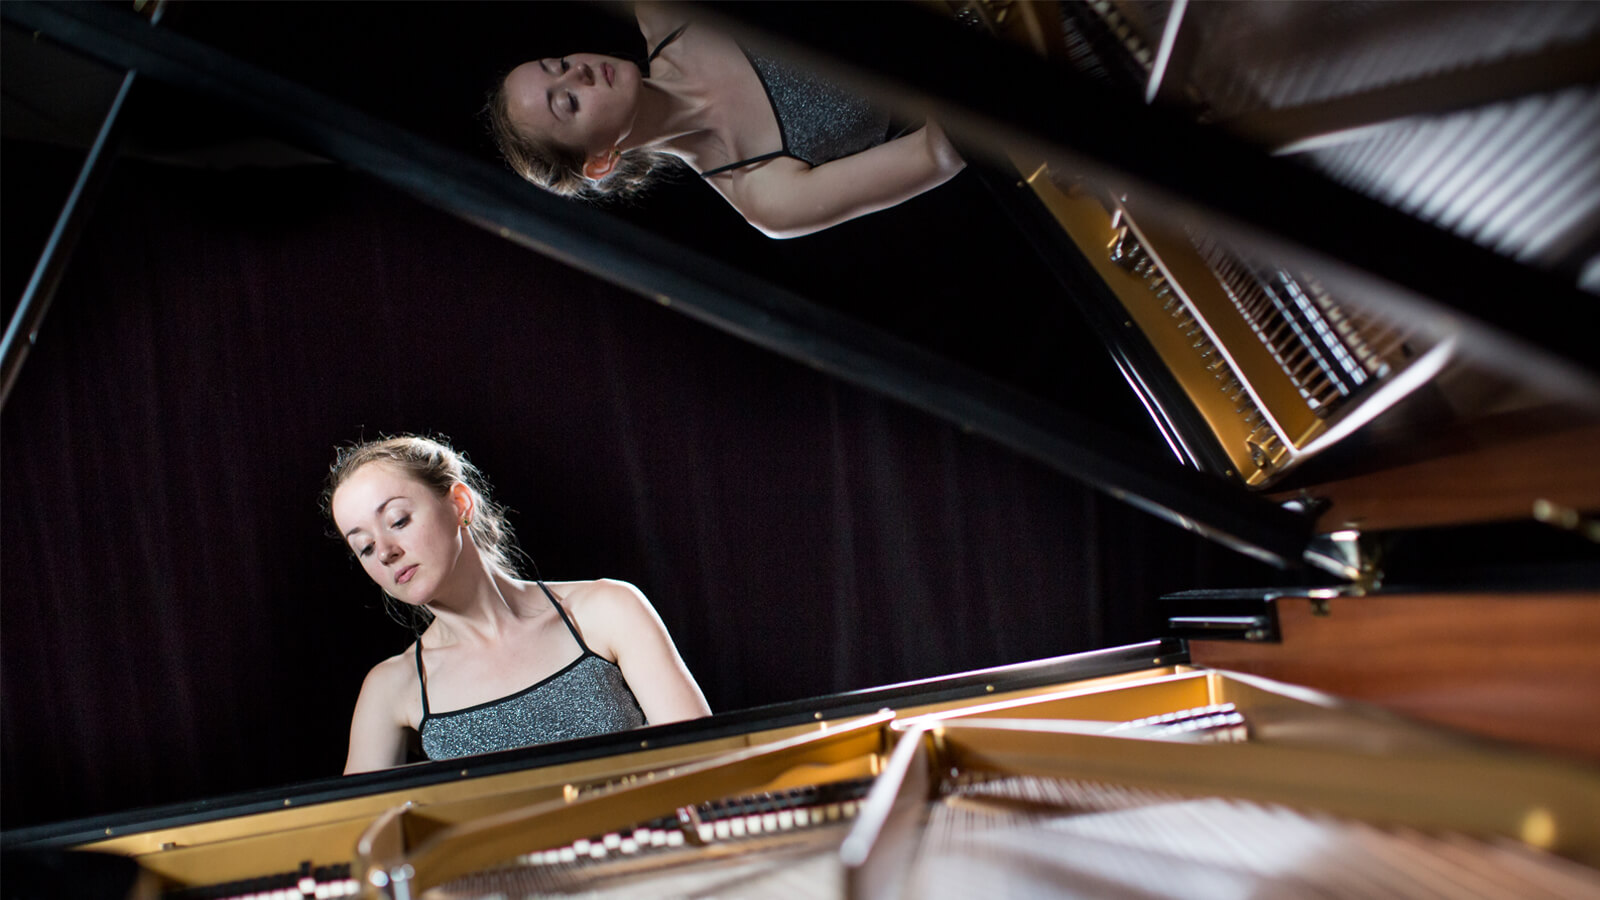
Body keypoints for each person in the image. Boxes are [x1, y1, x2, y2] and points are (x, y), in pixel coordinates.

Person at [325, 436, 710, 773]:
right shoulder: (391, 688)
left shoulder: (607, 609)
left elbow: (704, 760)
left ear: (459, 503)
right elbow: (352, 835)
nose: (386, 554)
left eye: (398, 520)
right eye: (365, 547)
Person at [489, 5, 966, 238]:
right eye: (568, 102)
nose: (580, 72)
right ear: (598, 164)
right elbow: (938, 153)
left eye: (559, 63)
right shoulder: (767, 195)